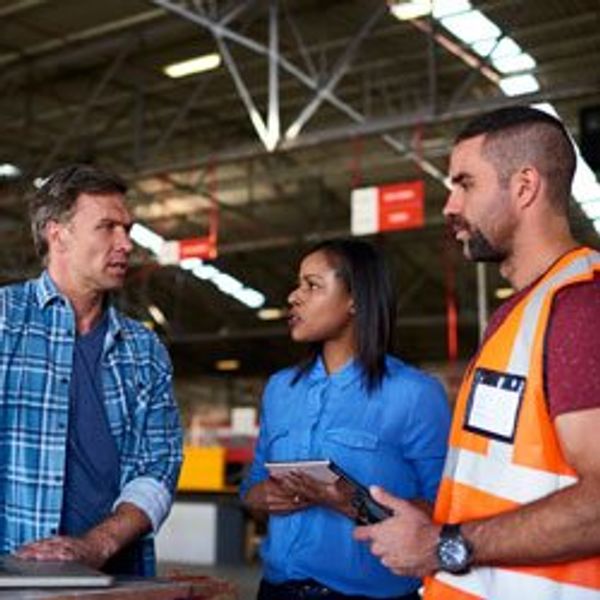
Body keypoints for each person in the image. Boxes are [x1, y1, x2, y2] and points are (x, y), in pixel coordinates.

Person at [354, 106, 600, 599]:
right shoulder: (523, 312)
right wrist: (439, 517)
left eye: (465, 184)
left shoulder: (579, 309)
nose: (449, 205)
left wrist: (446, 545)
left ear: (525, 186)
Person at [241, 238, 451, 600]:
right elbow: (253, 486)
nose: (294, 296)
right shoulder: (280, 389)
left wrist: (350, 501)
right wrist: (264, 496)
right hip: (275, 590)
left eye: (313, 285)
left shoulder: (414, 394)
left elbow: (443, 514)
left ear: (355, 299)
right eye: (298, 284)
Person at [0, 164, 183, 576]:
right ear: (56, 232)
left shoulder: (144, 349)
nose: (125, 244)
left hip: (116, 576)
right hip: (12, 576)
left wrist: (96, 545)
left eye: (128, 229)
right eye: (107, 227)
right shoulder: (4, 322)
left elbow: (158, 468)